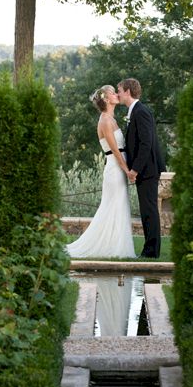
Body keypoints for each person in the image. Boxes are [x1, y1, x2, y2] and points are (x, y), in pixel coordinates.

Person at [66, 85, 135, 258]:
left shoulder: (112, 118)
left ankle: (113, 244)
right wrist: (127, 170)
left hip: (119, 168)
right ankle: (111, 247)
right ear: (106, 99)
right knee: (112, 206)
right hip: (114, 169)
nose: (116, 94)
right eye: (113, 92)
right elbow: (115, 150)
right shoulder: (104, 121)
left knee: (118, 206)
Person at [117, 78, 165, 258]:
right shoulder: (135, 111)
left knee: (149, 210)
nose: (118, 94)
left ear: (128, 91)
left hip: (148, 170)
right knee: (146, 210)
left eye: (119, 90)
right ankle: (149, 249)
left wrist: (134, 170)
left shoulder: (141, 111)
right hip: (145, 170)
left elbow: (146, 144)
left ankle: (152, 251)